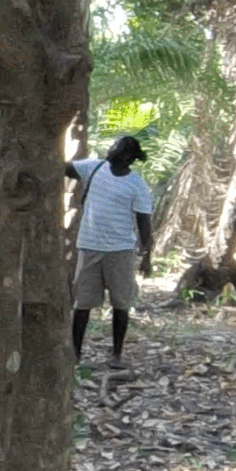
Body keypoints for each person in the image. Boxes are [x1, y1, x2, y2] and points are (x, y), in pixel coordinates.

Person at [67, 134, 156, 363]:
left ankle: (116, 354)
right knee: (82, 304)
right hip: (89, 247)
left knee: (121, 304)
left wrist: (147, 256)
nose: (110, 148)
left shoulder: (137, 185)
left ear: (127, 156)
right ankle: (74, 354)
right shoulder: (94, 167)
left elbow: (144, 224)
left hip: (121, 250)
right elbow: (63, 169)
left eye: (116, 146)